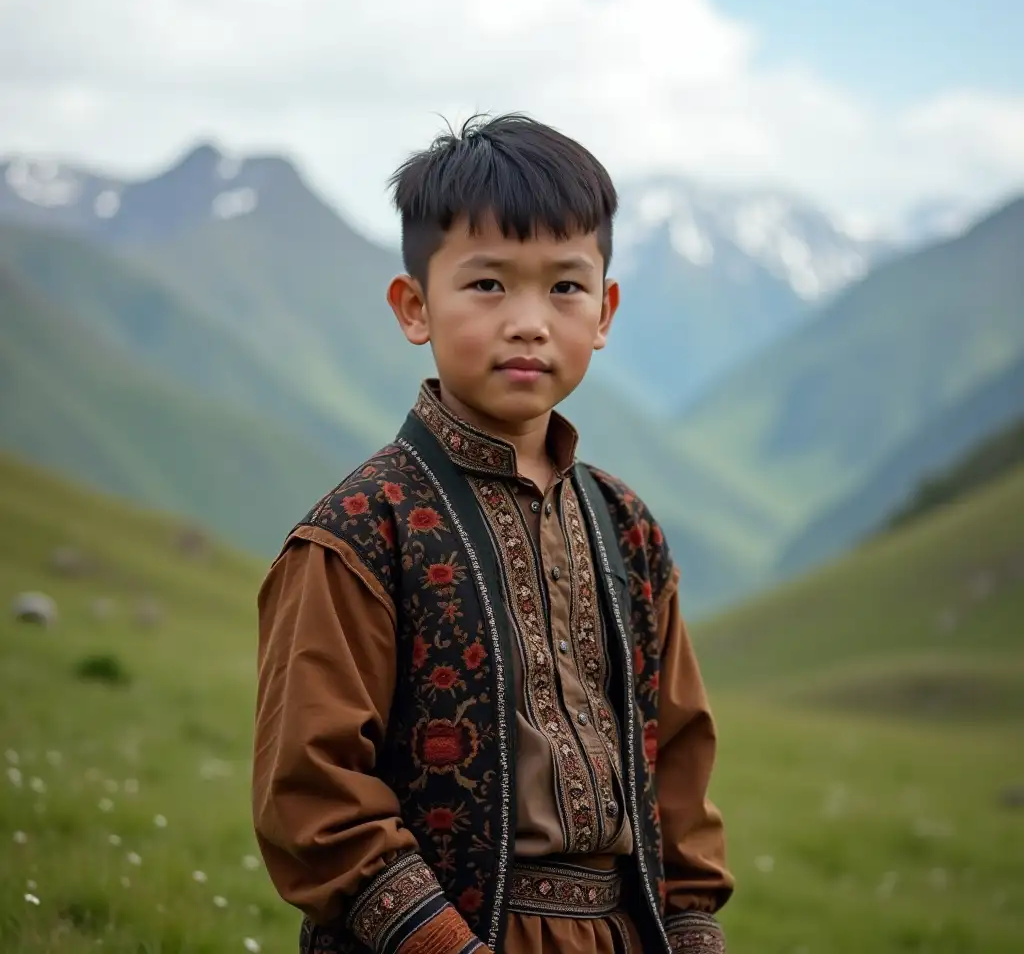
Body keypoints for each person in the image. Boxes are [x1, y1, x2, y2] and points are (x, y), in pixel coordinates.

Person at [252, 114, 734, 954]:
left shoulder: (630, 532)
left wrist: (691, 931)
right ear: (414, 306)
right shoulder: (361, 533)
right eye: (486, 285)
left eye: (565, 287)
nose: (528, 321)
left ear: (606, 311)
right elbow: (313, 792)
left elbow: (679, 758)